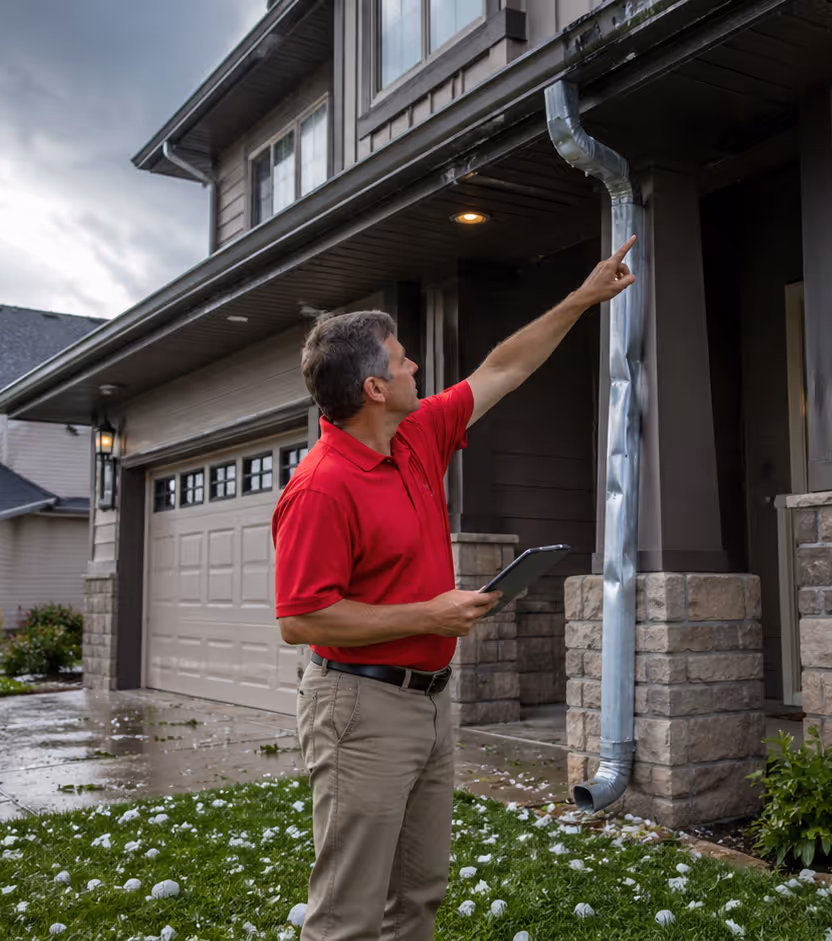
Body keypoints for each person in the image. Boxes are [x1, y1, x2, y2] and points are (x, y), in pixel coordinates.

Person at [271, 236, 637, 941]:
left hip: (431, 702)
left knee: (419, 893)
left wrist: (583, 297)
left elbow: (504, 367)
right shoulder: (320, 487)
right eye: (402, 358)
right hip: (359, 707)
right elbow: (302, 618)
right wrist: (428, 614)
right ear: (374, 389)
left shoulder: (415, 434)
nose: (415, 366)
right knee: (347, 912)